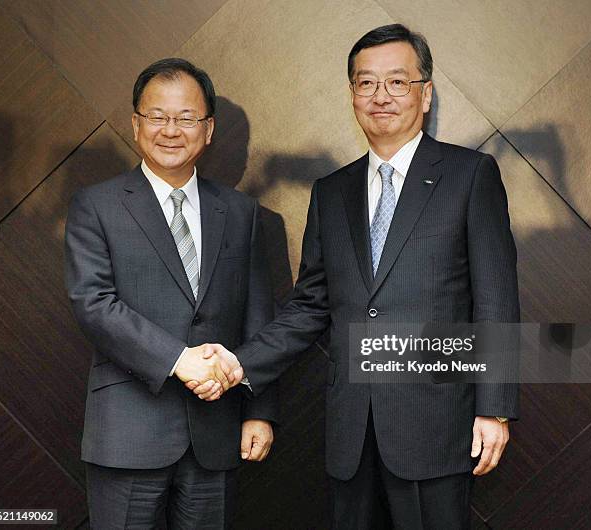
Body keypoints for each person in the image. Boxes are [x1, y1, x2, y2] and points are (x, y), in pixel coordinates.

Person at [190, 24, 519, 529]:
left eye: (397, 82)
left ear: (425, 94)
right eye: (366, 83)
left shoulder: (470, 175)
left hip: (438, 425)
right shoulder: (332, 191)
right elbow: (310, 305)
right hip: (351, 429)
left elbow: (495, 300)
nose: (381, 96)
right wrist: (237, 362)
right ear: (352, 94)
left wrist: (493, 409)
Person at [65, 57, 277, 529]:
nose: (170, 129)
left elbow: (258, 318)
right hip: (127, 433)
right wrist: (179, 360)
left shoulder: (241, 213)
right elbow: (94, 305)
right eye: (157, 116)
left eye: (185, 118)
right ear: (136, 124)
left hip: (217, 431)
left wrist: (259, 410)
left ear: (208, 129)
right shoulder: (96, 206)